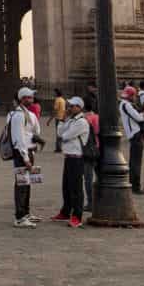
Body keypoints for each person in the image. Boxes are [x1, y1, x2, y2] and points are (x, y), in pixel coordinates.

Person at [52, 96, 88, 228]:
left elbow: (65, 136)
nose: (70, 108)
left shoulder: (81, 122)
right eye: (70, 106)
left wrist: (64, 133)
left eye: (72, 106)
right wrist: (63, 119)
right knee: (66, 187)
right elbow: (60, 132)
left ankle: (77, 216)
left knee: (76, 189)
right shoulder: (71, 120)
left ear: (79, 107)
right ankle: (65, 211)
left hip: (77, 158)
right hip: (69, 157)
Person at [8, 87, 42, 226]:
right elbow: (19, 138)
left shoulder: (28, 114)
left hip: (28, 151)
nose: (31, 99)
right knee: (21, 184)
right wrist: (26, 158)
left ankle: (26, 213)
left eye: (31, 97)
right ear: (22, 98)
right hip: (22, 153)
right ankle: (20, 217)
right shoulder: (18, 115)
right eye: (28, 97)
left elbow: (34, 132)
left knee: (27, 183)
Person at [119, 86, 144, 195]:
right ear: (131, 95)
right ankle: (136, 187)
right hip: (135, 134)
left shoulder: (124, 104)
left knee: (134, 162)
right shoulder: (126, 105)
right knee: (136, 162)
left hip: (133, 135)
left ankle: (133, 185)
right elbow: (139, 118)